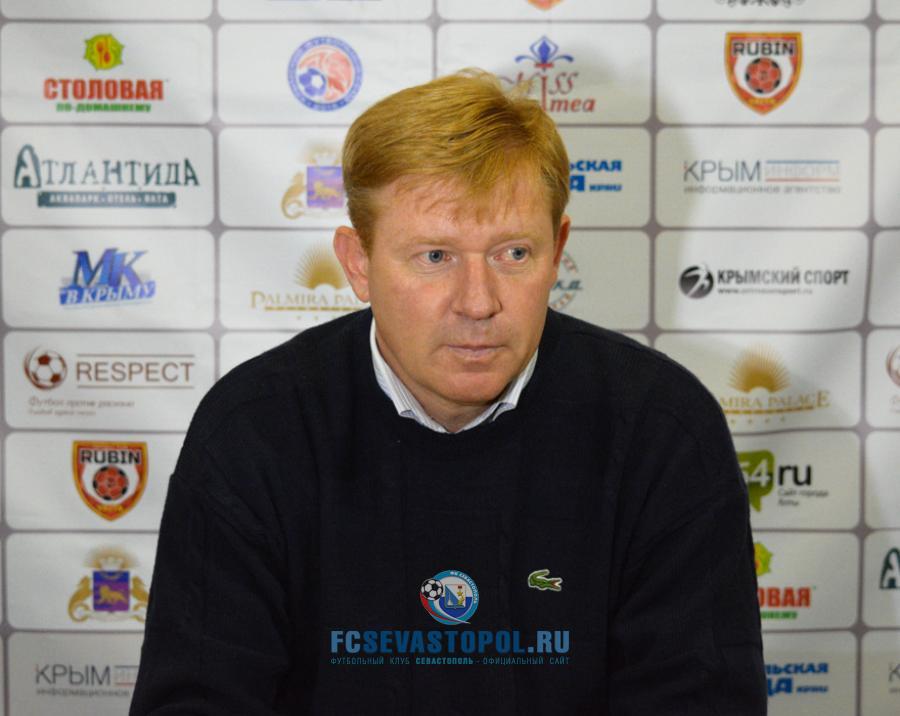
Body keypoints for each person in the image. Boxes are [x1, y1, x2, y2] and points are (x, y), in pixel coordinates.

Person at [130, 71, 766, 714]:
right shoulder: (255, 430)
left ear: (557, 252)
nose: (478, 303)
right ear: (358, 263)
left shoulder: (662, 430)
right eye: (435, 257)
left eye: (513, 254)